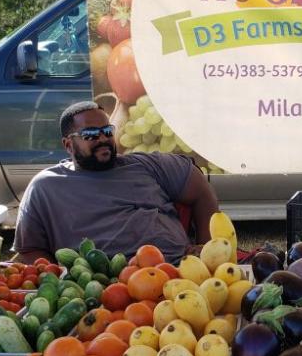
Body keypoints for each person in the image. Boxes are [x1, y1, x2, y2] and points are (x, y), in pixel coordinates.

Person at [14, 101, 219, 264]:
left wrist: (205, 247)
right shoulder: (46, 187)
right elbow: (29, 249)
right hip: (99, 288)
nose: (103, 139)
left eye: (107, 131)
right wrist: (56, 279)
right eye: (91, 134)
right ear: (68, 145)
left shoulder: (145, 165)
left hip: (176, 268)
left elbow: (200, 188)